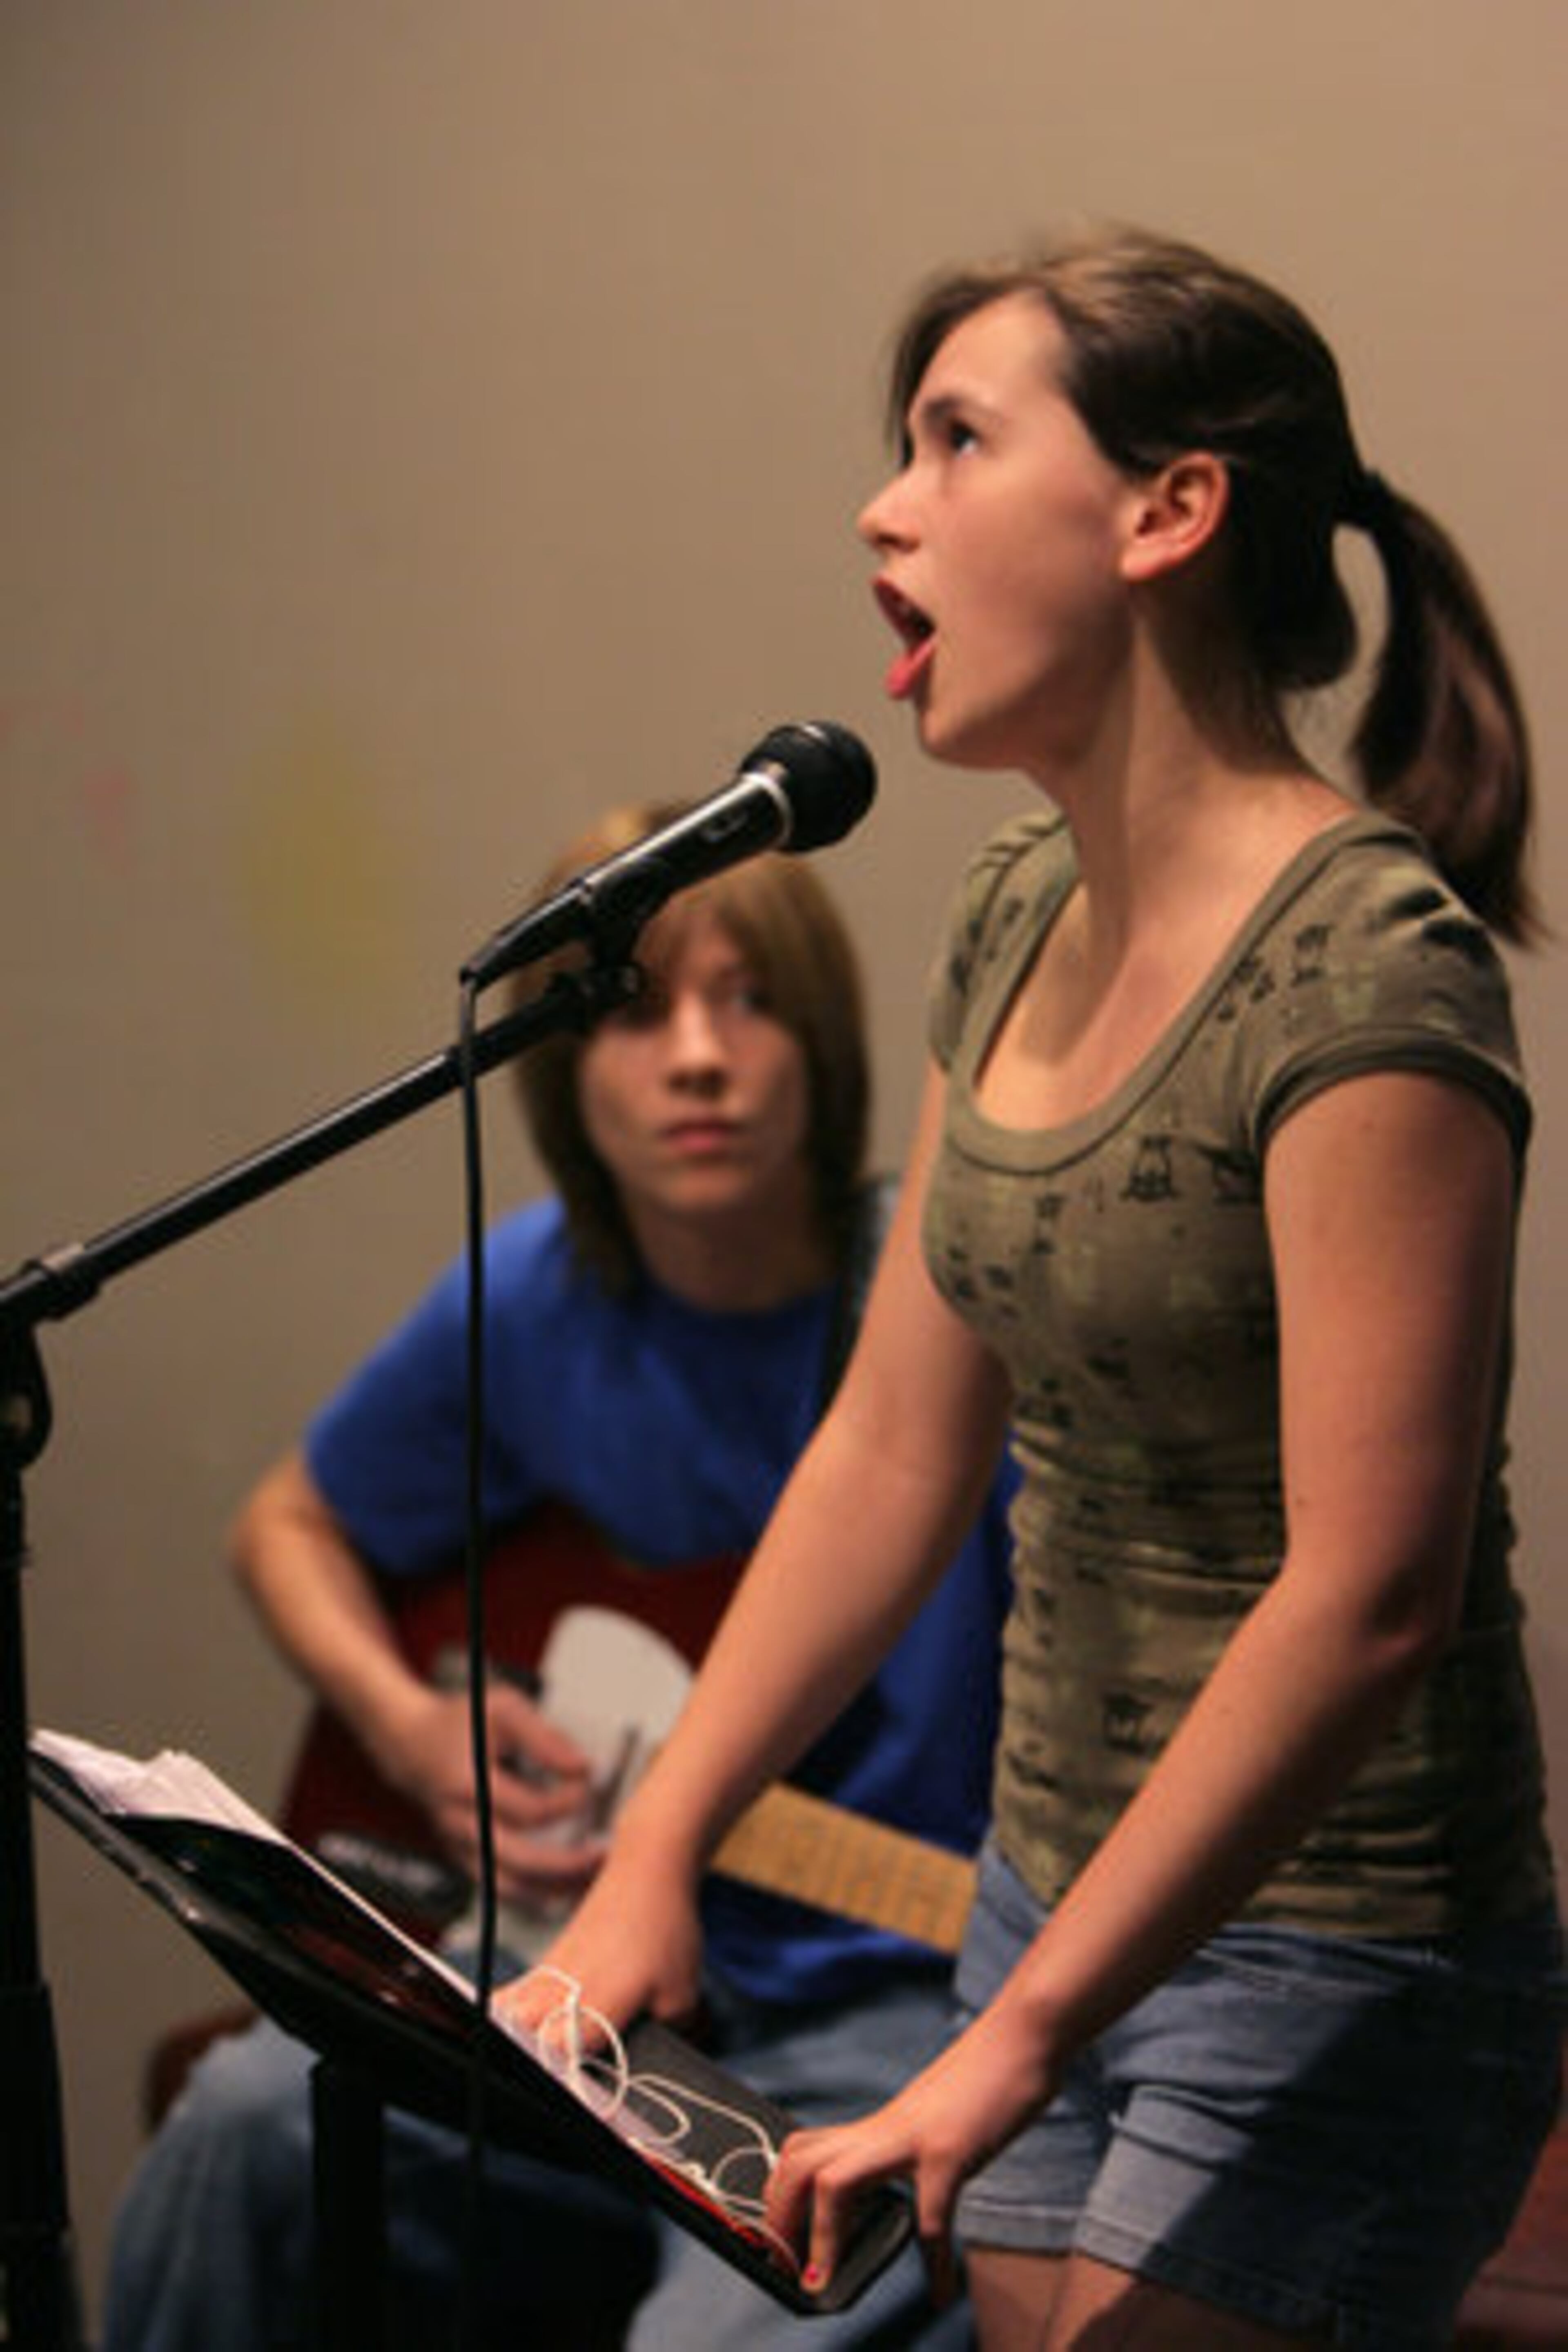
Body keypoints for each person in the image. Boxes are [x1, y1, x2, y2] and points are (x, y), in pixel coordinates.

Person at [501, 225, 1567, 2350]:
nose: (885, 512)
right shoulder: (1010, 907)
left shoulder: (1369, 965)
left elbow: (1373, 1595)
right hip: (1044, 1895)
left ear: (1171, 513)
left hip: (1339, 1943)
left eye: (956, 442)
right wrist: (662, 1847)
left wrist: (1001, 2047)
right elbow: (897, 1444)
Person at [101, 800, 1016, 2351]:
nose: (700, 1060)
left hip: (888, 2004)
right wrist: (412, 1739)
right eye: (640, 1012)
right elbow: (289, 1528)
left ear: (832, 1047)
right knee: (237, 2129)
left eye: (753, 1002)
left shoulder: (939, 1320)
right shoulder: (533, 1298)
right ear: (562, 1071)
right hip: (578, 1968)